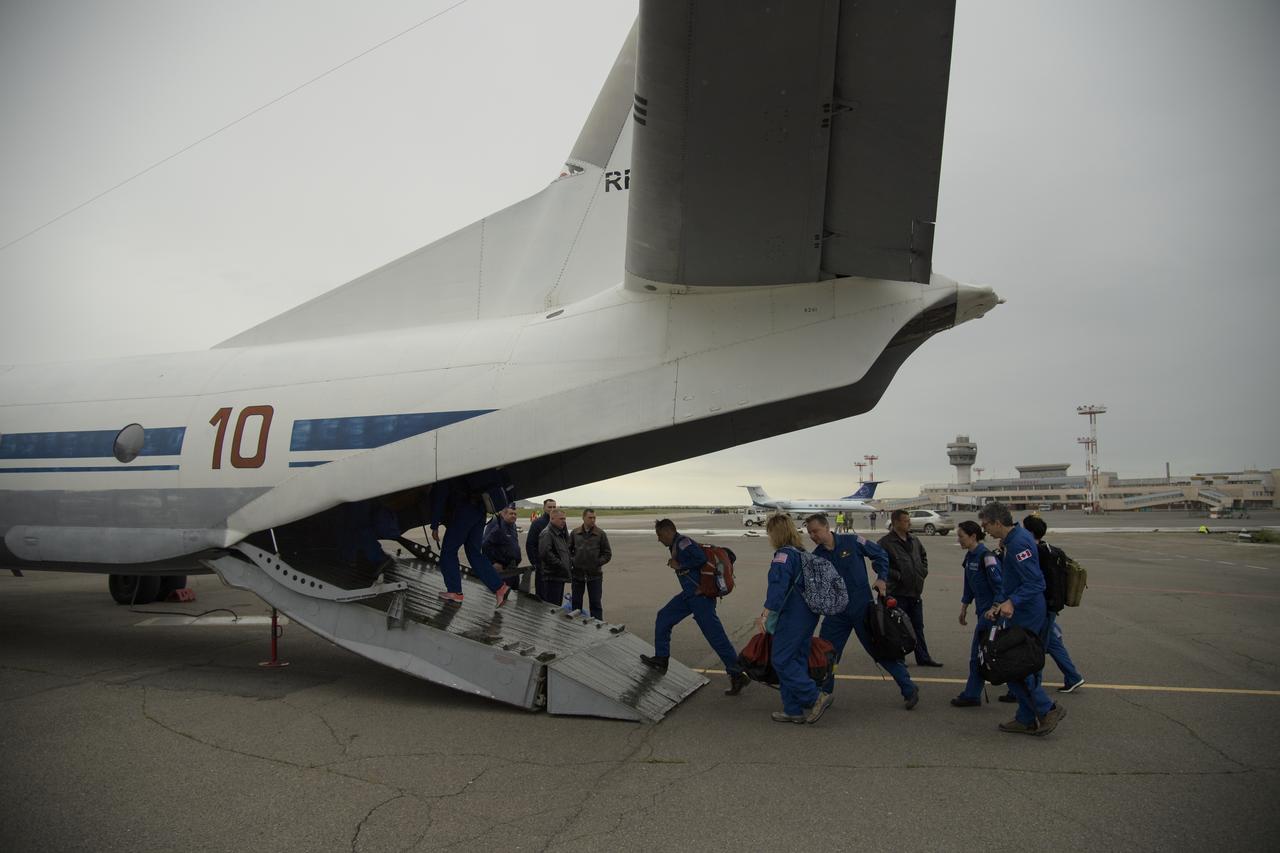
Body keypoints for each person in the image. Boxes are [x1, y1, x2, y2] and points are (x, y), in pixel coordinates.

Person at [805, 513, 919, 710]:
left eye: (815, 531)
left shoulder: (852, 541)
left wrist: (882, 577)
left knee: (880, 650)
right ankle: (823, 695)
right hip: (836, 614)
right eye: (809, 533)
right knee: (826, 654)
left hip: (862, 610)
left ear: (826, 527)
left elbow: (880, 554)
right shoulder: (817, 557)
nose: (813, 536)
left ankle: (909, 688)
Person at [977, 501, 1066, 735]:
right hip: (1018, 609)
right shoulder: (1013, 539)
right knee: (1014, 665)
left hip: (1027, 612)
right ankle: (1025, 717)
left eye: (986, 525)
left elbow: (1036, 582)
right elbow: (1012, 579)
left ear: (998, 522)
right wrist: (999, 603)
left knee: (1015, 665)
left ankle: (1047, 709)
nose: (985, 530)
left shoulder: (1017, 543)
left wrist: (1011, 602)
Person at [640, 519, 750, 697]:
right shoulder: (676, 545)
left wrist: (680, 565)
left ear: (668, 532)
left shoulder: (683, 543)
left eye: (659, 535)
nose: (659, 539)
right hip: (689, 596)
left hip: (701, 598)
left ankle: (737, 674)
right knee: (664, 617)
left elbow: (700, 558)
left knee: (716, 637)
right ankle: (661, 659)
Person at [756, 514, 830, 723]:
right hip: (809, 615)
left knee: (780, 659)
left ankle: (815, 697)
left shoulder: (783, 556)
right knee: (796, 659)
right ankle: (792, 709)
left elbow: (778, 589)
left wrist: (765, 614)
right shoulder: (802, 553)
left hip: (792, 616)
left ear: (776, 534)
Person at [1024, 515, 1085, 693]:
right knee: (1052, 642)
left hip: (1041, 606)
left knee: (1038, 646)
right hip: (1053, 604)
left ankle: (1033, 686)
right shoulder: (1053, 550)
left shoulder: (1035, 552)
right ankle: (1073, 677)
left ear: (1029, 532)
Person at [429, 478, 511, 606]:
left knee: (448, 551)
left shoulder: (446, 471)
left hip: (464, 511)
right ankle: (500, 588)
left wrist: (434, 524)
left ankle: (454, 592)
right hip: (480, 510)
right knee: (474, 553)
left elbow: (441, 495)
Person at [879, 509, 942, 667]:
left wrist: (922, 572)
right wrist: (898, 576)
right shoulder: (885, 543)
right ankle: (899, 658)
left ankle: (923, 657)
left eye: (909, 520)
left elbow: (923, 556)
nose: (909, 523)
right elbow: (879, 564)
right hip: (897, 592)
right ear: (896, 523)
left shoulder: (914, 540)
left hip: (914, 591)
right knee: (898, 627)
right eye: (906, 521)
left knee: (918, 626)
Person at [951, 520, 1003, 707]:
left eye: (961, 536)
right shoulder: (970, 557)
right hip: (981, 611)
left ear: (973, 536)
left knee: (978, 655)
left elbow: (1000, 585)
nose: (959, 540)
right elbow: (969, 584)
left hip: (990, 615)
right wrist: (964, 607)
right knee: (992, 654)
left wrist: (995, 607)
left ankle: (972, 695)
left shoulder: (986, 557)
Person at [569, 508, 612, 619]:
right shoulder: (575, 533)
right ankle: (575, 625)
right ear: (583, 518)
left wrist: (597, 562)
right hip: (577, 575)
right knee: (576, 603)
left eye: (594, 518)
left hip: (595, 575)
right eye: (590, 518)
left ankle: (598, 625)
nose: (593, 520)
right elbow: (568, 551)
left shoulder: (600, 534)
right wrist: (573, 561)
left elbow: (607, 554)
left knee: (595, 604)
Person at [481, 504, 523, 595]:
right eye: (511, 514)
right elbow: (485, 545)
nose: (513, 516)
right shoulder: (499, 528)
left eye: (515, 514)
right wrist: (493, 562)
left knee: (514, 594)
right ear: (504, 515)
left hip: (513, 567)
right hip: (503, 569)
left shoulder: (513, 527)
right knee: (500, 595)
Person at [537, 508, 573, 608]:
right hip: (552, 576)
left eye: (564, 519)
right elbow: (545, 554)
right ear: (552, 518)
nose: (564, 521)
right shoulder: (547, 533)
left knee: (556, 606)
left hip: (559, 575)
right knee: (552, 607)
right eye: (561, 519)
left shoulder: (560, 533)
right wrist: (561, 565)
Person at [525, 498, 556, 601]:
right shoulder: (537, 523)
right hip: (542, 567)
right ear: (544, 508)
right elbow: (530, 544)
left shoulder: (560, 522)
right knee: (542, 597)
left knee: (555, 598)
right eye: (549, 507)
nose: (552, 509)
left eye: (554, 507)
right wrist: (535, 563)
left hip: (556, 567)